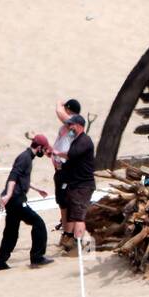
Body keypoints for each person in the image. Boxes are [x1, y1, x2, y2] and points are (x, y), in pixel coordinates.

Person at [0, 134, 54, 271]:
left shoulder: (27, 157)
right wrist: (8, 195)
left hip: (14, 200)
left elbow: (23, 179)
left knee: (11, 233)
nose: (44, 152)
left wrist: (37, 189)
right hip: (16, 200)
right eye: (43, 149)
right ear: (39, 147)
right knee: (38, 223)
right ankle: (37, 257)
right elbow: (13, 177)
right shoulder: (25, 158)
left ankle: (0, 263)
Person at [58, 114, 96, 256]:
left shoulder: (84, 141)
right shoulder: (76, 140)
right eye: (68, 125)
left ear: (79, 125)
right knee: (74, 216)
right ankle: (75, 244)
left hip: (83, 186)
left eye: (71, 125)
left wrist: (57, 152)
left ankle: (82, 249)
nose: (69, 128)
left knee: (79, 218)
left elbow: (71, 155)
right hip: (75, 185)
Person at [51, 98, 81, 235]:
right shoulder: (68, 126)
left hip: (66, 168)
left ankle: (68, 233)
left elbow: (59, 112)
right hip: (60, 169)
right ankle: (66, 230)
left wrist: (59, 103)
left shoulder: (74, 123)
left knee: (65, 202)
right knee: (62, 202)